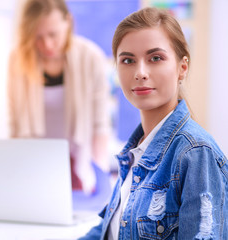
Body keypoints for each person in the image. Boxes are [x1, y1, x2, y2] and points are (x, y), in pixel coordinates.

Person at [79, 7, 228, 240]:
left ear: (182, 67)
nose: (140, 72)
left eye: (155, 58)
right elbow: (109, 230)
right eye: (128, 60)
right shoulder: (134, 152)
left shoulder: (196, 153)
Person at [7, 0, 112, 196]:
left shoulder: (91, 57)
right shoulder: (17, 60)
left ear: (68, 22)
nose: (47, 44)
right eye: (38, 37)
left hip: (75, 167)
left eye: (53, 34)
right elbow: (13, 125)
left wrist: (102, 181)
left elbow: (99, 126)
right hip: (32, 166)